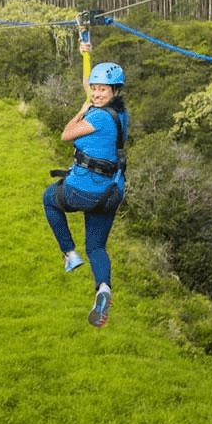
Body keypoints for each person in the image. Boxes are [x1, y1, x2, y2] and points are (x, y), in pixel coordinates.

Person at [42, 51, 128, 327]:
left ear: (114, 90)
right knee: (97, 246)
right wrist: (85, 48)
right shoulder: (119, 113)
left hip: (85, 189)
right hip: (112, 191)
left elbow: (66, 134)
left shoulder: (97, 118)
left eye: (102, 89)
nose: (96, 93)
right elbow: (88, 83)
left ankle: (69, 254)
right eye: (94, 88)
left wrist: (81, 110)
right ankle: (103, 290)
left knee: (49, 198)